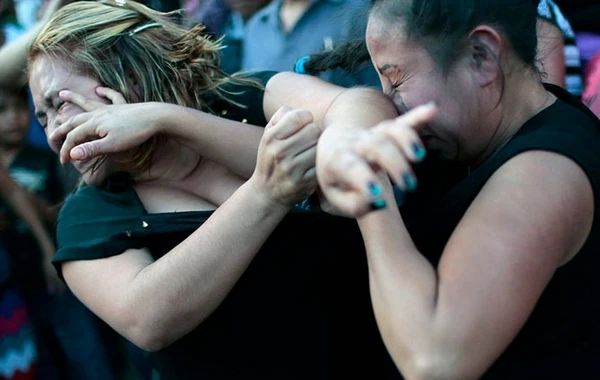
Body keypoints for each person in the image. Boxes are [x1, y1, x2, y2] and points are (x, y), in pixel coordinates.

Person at [25, 0, 402, 377]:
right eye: (43, 118)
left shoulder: (240, 96)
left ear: (126, 74)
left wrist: (167, 118)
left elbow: (361, 105)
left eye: (60, 104)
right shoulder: (89, 215)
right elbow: (148, 320)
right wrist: (265, 193)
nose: (54, 133)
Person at [309, 0, 600, 379]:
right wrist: (351, 124)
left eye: (396, 81)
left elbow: (435, 362)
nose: (390, 106)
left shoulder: (549, 171)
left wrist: (369, 187)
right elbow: (279, 88)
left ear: (481, 57)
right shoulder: (465, 132)